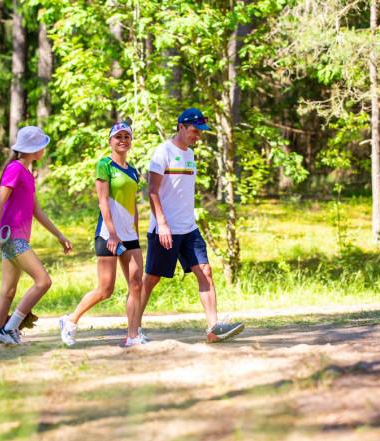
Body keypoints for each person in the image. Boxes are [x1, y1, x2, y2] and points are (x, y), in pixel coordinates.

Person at [139, 108, 244, 343]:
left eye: (200, 132)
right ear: (181, 127)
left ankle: (213, 328)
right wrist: (163, 224)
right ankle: (133, 328)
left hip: (189, 228)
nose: (198, 136)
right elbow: (153, 191)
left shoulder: (190, 155)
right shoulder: (162, 152)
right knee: (152, 278)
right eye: (194, 131)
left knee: (205, 272)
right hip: (165, 229)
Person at [59, 122, 145, 347]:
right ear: (110, 141)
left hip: (130, 235)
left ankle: (133, 335)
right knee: (106, 289)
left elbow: (132, 202)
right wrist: (114, 234)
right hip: (108, 234)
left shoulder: (133, 170)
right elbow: (103, 201)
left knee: (136, 283)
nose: (123, 140)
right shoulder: (104, 165)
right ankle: (70, 320)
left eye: (126, 136)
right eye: (118, 136)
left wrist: (135, 228)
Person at [0, 126, 73, 346]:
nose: (44, 149)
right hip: (12, 237)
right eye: (42, 145)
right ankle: (9, 328)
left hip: (16, 238)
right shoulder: (15, 169)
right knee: (43, 281)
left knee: (8, 291)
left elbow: (37, 211)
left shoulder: (27, 173)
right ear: (35, 149)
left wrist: (59, 235)